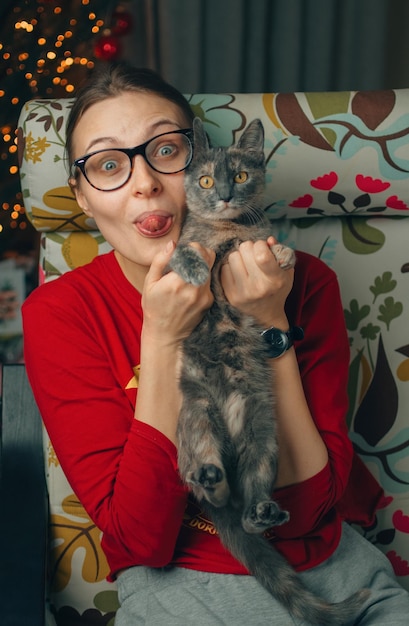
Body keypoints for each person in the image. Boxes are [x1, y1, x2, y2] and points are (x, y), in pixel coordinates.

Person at [22, 62, 409, 625]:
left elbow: (305, 514)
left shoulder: (302, 282)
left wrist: (267, 321)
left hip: (342, 580)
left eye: (166, 151)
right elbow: (142, 539)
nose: (145, 182)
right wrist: (161, 337)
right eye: (108, 164)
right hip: (186, 595)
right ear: (81, 197)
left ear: (204, 165)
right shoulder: (61, 314)